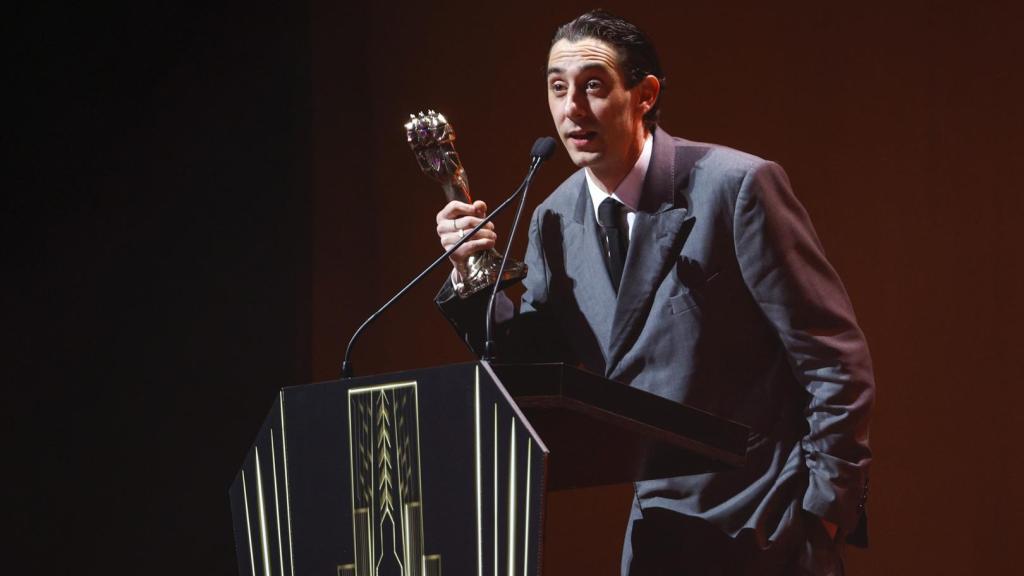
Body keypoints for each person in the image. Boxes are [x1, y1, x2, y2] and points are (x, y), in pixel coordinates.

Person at [434, 10, 873, 576]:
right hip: (657, 531)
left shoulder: (735, 187)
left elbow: (834, 359)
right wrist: (470, 276)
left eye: (593, 85)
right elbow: (533, 371)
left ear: (644, 94)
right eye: (557, 88)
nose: (572, 109)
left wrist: (823, 512)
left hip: (768, 522)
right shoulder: (552, 219)